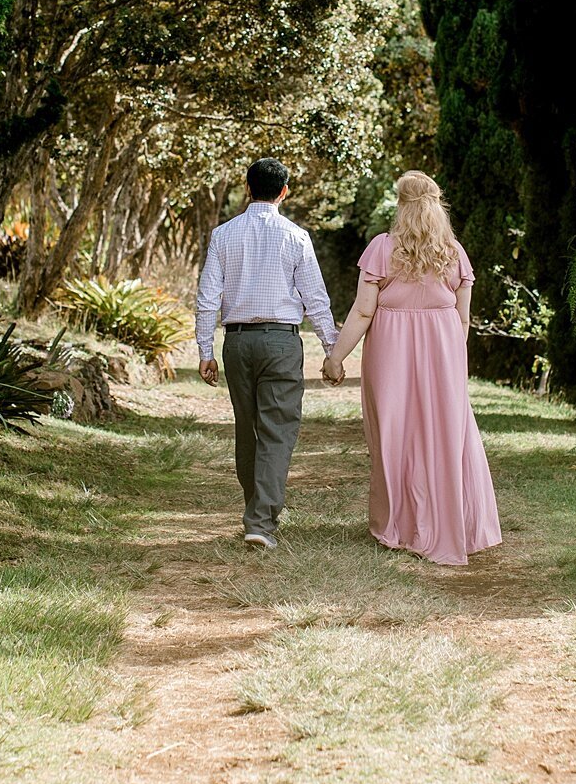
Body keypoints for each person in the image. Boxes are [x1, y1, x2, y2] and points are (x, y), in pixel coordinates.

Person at [322, 171, 501, 566]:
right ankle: (457, 522)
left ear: (400, 205)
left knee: (395, 432)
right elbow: (464, 320)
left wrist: (336, 356)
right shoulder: (454, 252)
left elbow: (365, 310)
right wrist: (450, 358)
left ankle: (401, 525)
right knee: (446, 433)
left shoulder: (382, 248)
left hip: (391, 348)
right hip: (444, 347)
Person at [195, 157, 339, 550]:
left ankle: (256, 513)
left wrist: (205, 350)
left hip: (237, 343)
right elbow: (315, 299)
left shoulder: (223, 235)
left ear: (247, 187)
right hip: (280, 342)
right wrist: (332, 350)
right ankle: (260, 520)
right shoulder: (296, 237)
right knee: (277, 431)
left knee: (249, 428)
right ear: (284, 192)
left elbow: (208, 298)